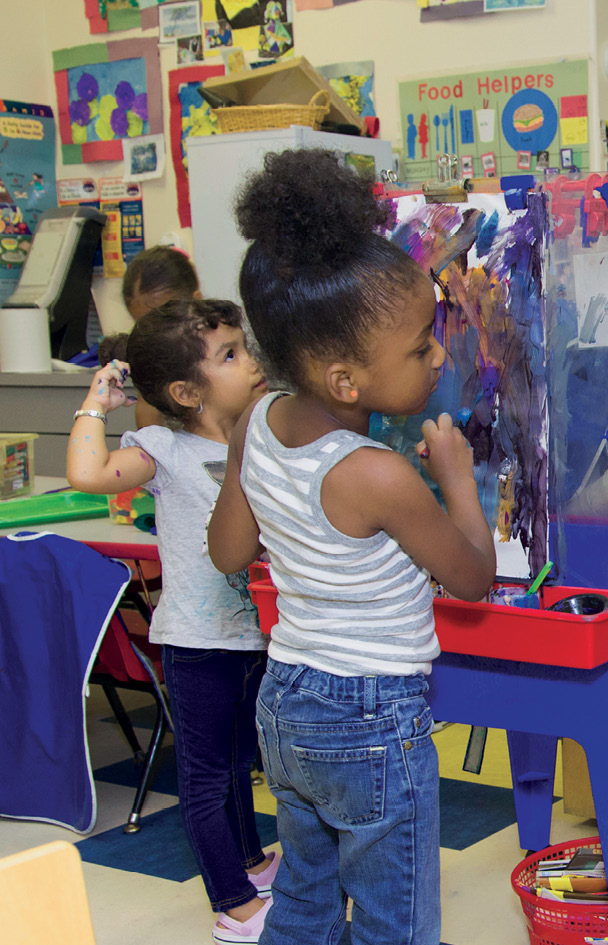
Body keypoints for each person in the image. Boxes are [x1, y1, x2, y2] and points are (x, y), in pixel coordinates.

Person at [207, 148, 496, 945]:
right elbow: (471, 577)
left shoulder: (256, 422)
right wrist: (457, 478)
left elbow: (230, 552)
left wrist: (251, 478)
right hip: (370, 715)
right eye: (418, 347)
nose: (439, 354)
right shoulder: (379, 475)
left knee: (302, 903)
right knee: (393, 922)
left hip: (288, 702)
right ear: (343, 380)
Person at [66, 299, 276, 945]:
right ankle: (233, 905)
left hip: (251, 634)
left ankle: (249, 860)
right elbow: (87, 472)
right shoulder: (162, 448)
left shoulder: (253, 434)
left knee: (241, 760)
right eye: (231, 355)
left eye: (243, 347)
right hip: (196, 642)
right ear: (185, 391)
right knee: (208, 776)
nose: (251, 361)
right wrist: (96, 402)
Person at [122, 245, 203, 428]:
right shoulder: (151, 357)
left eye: (165, 322)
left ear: (197, 301)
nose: (154, 337)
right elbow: (147, 418)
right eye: (143, 327)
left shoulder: (224, 348)